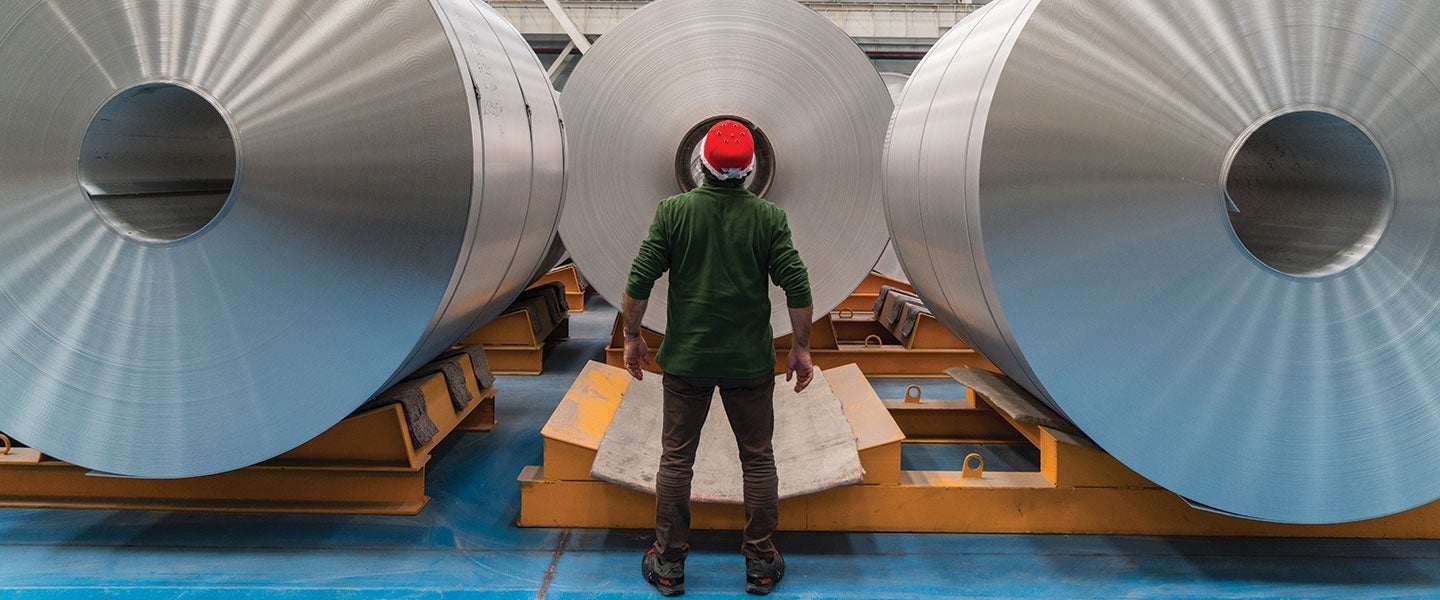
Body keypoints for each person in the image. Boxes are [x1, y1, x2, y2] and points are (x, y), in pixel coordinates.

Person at [623, 119, 814, 597]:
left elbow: (639, 281)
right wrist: (801, 347)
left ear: (701, 164)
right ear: (750, 170)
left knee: (676, 462)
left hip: (686, 361)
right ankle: (760, 563)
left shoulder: (673, 211)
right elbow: (798, 285)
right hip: (749, 364)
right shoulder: (769, 218)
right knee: (758, 460)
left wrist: (632, 336)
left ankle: (668, 565)